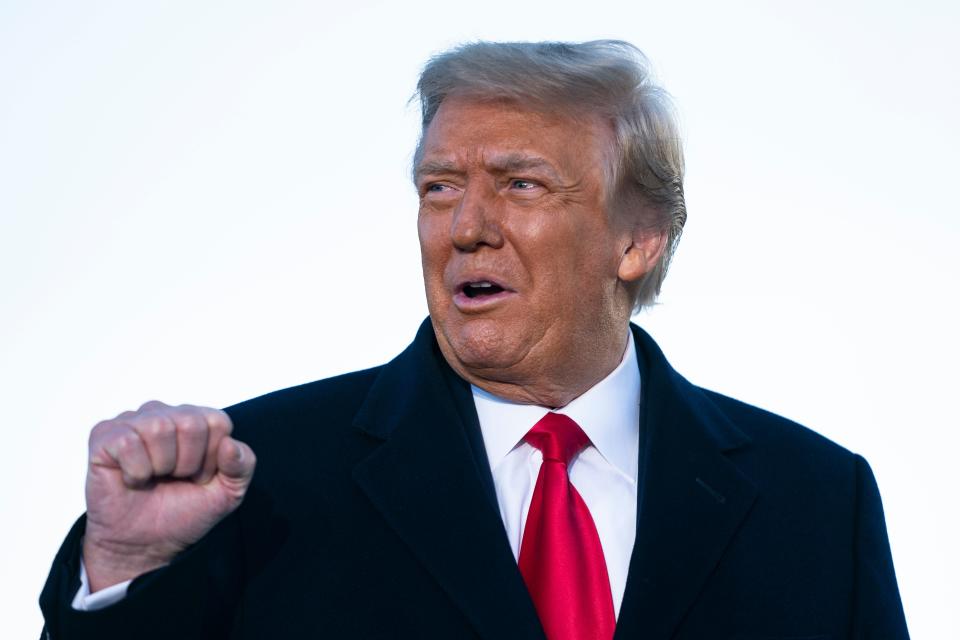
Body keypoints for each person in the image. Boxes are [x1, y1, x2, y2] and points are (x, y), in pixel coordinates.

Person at [39, 40, 910, 639]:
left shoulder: (818, 502)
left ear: (637, 240)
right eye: (440, 186)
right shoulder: (255, 478)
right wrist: (123, 566)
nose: (466, 227)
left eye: (520, 185)